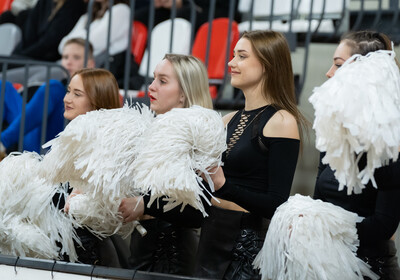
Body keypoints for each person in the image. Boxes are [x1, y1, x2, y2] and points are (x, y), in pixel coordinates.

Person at [119, 30, 306, 279]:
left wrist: (223, 185)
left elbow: (276, 204)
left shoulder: (282, 120)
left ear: (266, 65)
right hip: (211, 238)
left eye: (241, 56)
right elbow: (200, 198)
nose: (231, 63)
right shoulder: (227, 120)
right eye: (232, 55)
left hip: (248, 245)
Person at [314, 30, 400, 279]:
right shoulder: (332, 132)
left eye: (338, 65)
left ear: (366, 75)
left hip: (370, 268)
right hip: (326, 265)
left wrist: (317, 225)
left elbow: (383, 226)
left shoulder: (391, 139)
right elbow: (320, 200)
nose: (329, 73)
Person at [118, 53, 213, 276]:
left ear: (183, 94)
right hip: (143, 248)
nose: (151, 87)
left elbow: (200, 210)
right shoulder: (151, 131)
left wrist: (146, 204)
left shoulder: (201, 135)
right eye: (153, 79)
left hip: (172, 254)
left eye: (162, 81)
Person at [0, 38, 95, 154]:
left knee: (54, 87)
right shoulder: (61, 86)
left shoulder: (96, 91)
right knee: (3, 86)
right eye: (65, 57)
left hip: (53, 147)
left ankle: (3, 141)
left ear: (90, 64)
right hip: (31, 135)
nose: (68, 62)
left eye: (76, 57)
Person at [1, 0, 86, 62]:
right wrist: (18, 54)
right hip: (28, 54)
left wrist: (22, 55)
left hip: (47, 59)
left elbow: (50, 42)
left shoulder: (74, 5)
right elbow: (30, 30)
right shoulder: (44, 2)